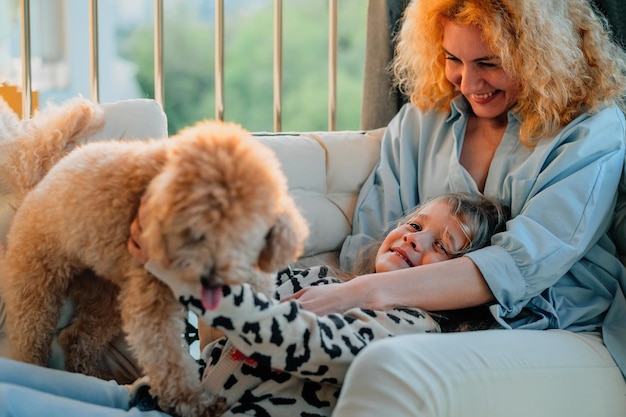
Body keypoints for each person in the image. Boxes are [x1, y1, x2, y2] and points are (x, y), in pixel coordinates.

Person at [285, 1, 626, 416]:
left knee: (387, 368)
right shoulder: (420, 122)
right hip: (415, 317)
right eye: (453, 59)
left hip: (558, 325)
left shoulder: (590, 128)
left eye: (489, 62)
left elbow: (520, 265)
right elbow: (371, 236)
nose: (469, 82)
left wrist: (361, 293)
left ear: (540, 53)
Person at [0, 192, 507, 416]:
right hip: (153, 397)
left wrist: (187, 275)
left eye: (444, 245)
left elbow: (295, 342)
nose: (415, 241)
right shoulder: (324, 278)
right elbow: (247, 289)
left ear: (462, 280)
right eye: (416, 225)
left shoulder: (411, 329)